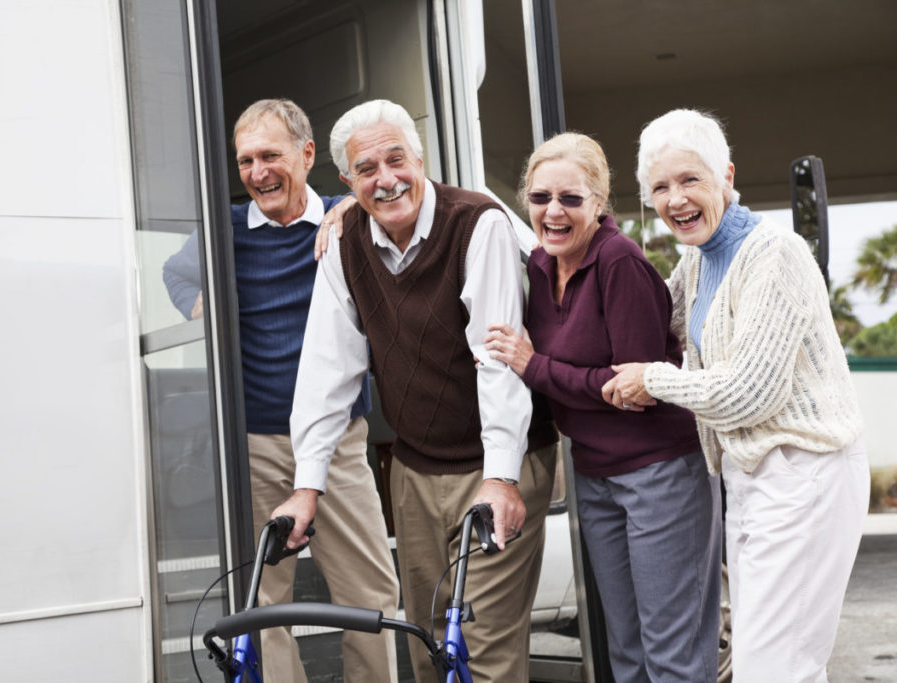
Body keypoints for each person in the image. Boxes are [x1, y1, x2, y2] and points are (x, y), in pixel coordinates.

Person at [271, 99, 557, 683]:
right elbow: (327, 369)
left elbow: (496, 359)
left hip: (500, 461)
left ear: (420, 159)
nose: (386, 179)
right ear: (346, 181)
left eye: (396, 160)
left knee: (483, 654)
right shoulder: (344, 238)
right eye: (366, 170)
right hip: (417, 471)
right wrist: (307, 486)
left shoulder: (477, 224)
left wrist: (500, 477)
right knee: (428, 649)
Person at [603, 108, 869, 683]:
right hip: (751, 478)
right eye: (660, 188)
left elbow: (750, 392)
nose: (675, 199)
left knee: (772, 670)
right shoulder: (697, 262)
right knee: (783, 664)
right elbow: (647, 321)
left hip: (806, 471)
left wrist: (652, 378)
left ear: (726, 175)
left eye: (690, 179)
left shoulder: (775, 254)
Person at [163, 98, 399, 683]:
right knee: (263, 603)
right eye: (245, 161)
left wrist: (355, 202)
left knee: (368, 592)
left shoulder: (348, 222)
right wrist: (199, 307)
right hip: (258, 441)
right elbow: (176, 271)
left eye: (271, 155)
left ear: (308, 154)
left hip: (340, 439)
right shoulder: (226, 230)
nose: (258, 172)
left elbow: (415, 197)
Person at [485, 132, 722, 682]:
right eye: (541, 198)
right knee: (626, 653)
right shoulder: (540, 266)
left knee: (673, 655)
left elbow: (632, 390)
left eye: (571, 198)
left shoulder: (621, 263)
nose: (554, 212)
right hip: (593, 476)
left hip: (660, 475)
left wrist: (532, 365)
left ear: (598, 203)